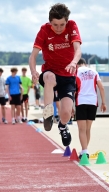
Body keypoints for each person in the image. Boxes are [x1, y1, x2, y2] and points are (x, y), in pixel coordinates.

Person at [29, 3, 82, 146]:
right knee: (49, 77)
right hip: (50, 71)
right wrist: (34, 71)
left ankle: (62, 126)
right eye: (55, 25)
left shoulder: (72, 26)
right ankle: (48, 111)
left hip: (68, 74)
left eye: (61, 25)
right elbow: (33, 56)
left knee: (66, 113)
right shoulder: (44, 30)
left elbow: (78, 50)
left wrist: (73, 63)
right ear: (50, 22)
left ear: (66, 21)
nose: (58, 28)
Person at [75, 58, 106, 159]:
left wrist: (71, 106)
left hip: (81, 101)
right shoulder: (94, 72)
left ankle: (84, 151)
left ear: (77, 64)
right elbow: (101, 87)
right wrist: (103, 103)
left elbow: (73, 89)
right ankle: (85, 150)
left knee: (81, 129)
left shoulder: (76, 72)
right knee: (88, 129)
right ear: (85, 63)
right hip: (93, 102)